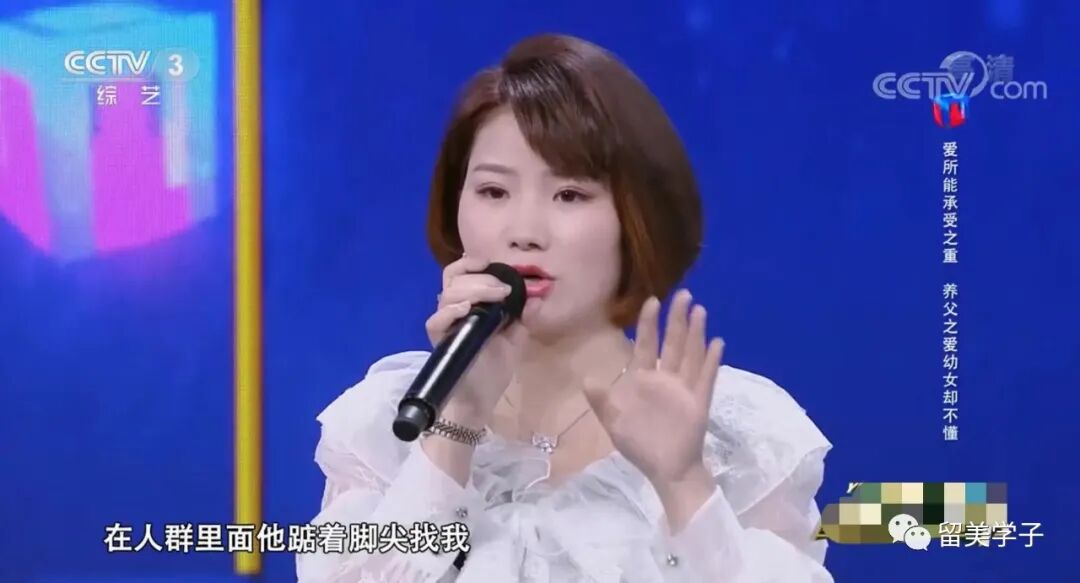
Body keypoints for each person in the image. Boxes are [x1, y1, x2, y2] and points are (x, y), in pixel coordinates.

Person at [296, 33, 833, 583]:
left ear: (636, 217)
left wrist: (683, 484)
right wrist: (455, 427)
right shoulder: (390, 422)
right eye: (494, 192)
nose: (525, 232)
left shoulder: (733, 435)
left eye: (569, 195)